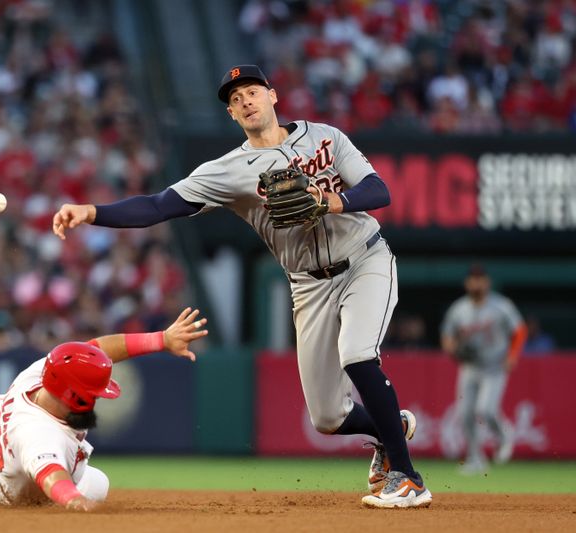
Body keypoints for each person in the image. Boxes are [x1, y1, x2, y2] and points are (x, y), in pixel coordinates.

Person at [52, 65, 431, 509]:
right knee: (327, 417)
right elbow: (158, 206)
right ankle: (389, 430)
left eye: (252, 91)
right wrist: (91, 211)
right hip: (308, 285)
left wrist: (333, 201)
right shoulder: (228, 171)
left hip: (365, 258)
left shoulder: (324, 137)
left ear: (272, 96)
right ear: (232, 114)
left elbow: (378, 189)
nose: (245, 101)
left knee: (357, 354)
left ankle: (408, 478)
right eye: (235, 99)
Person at [0, 307, 208, 510]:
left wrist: (160, 340)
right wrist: (73, 501)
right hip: (17, 489)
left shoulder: (43, 373)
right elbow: (52, 477)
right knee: (4, 433)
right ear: (74, 397)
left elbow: (97, 349)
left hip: (7, 445)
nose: (98, 398)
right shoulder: (41, 435)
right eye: (93, 393)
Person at [441, 265, 527, 474]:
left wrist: (513, 355)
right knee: (465, 413)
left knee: (486, 410)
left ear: (487, 282)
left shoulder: (501, 306)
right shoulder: (459, 309)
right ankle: (475, 458)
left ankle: (504, 435)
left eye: (480, 279)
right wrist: (450, 346)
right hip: (469, 366)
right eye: (473, 279)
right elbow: (447, 336)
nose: (476, 283)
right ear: (467, 283)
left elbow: (520, 330)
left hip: (495, 366)